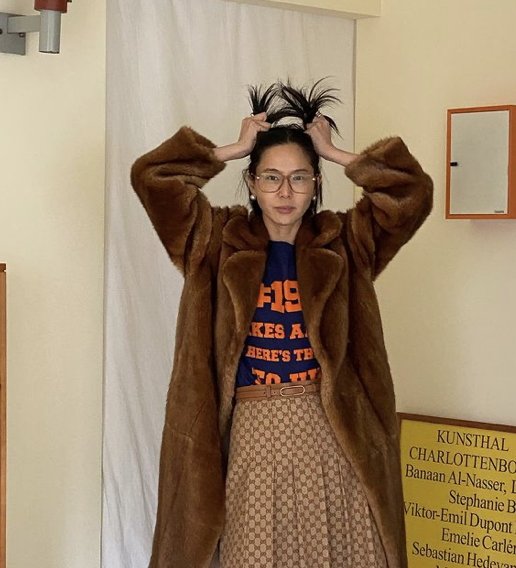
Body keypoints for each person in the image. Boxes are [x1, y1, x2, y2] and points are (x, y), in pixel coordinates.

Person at [130, 80, 433, 568]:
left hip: (336, 434)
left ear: (316, 183)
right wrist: (233, 148)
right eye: (271, 177)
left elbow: (410, 192)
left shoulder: (346, 242)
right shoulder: (214, 242)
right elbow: (154, 179)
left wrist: (336, 153)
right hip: (253, 434)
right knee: (254, 553)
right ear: (252, 183)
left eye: (300, 177)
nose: (285, 192)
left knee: (346, 554)